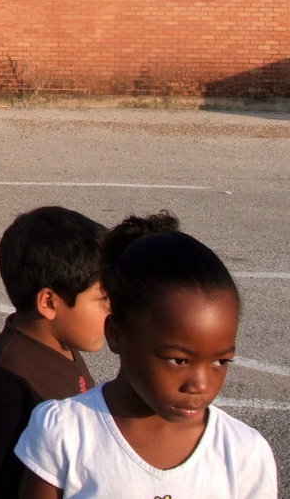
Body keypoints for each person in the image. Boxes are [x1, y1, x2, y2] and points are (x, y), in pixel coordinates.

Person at [15, 212, 277, 498]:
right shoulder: (65, 432)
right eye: (179, 360)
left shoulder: (243, 453)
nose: (200, 385)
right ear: (116, 335)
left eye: (220, 361)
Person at [0, 206, 109, 499]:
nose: (113, 310)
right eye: (103, 299)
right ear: (49, 303)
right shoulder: (2, 380)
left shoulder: (60, 346)